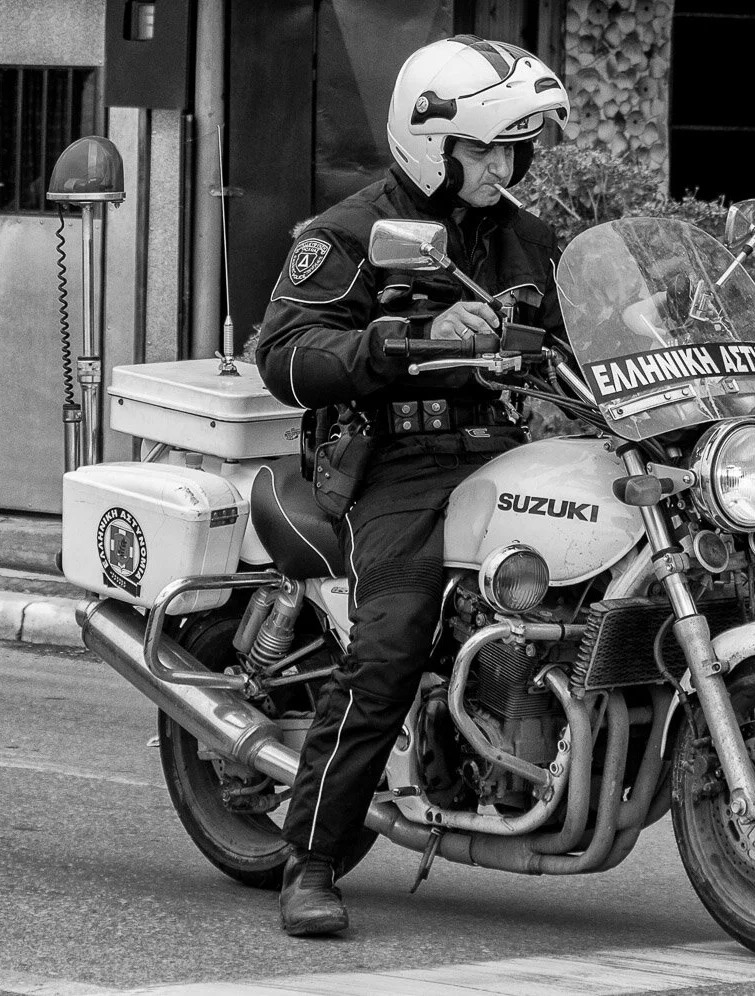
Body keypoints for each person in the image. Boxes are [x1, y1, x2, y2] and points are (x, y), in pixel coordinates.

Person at [253, 35, 570, 937]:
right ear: (431, 145)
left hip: (501, 454)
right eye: (485, 150)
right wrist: (401, 341)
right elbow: (284, 355)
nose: (504, 167)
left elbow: (582, 338)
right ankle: (312, 861)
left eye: (514, 150)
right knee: (390, 644)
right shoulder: (351, 236)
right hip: (397, 464)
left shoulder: (527, 239)